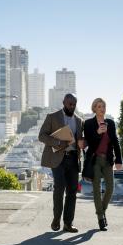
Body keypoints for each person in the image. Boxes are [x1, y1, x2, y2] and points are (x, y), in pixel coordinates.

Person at [39, 93, 83, 233]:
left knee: (72, 192)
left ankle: (68, 223)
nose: (72, 106)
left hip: (73, 158)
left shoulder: (79, 120)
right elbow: (42, 135)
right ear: (64, 102)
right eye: (70, 103)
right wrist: (57, 142)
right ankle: (56, 219)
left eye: (74, 104)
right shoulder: (52, 117)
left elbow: (80, 140)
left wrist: (83, 143)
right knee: (59, 188)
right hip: (58, 158)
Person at [83, 98, 122, 231]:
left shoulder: (110, 123)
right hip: (95, 160)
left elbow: (115, 142)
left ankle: (102, 211)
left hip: (108, 160)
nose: (102, 108)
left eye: (103, 106)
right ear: (94, 108)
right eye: (99, 106)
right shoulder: (88, 123)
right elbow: (89, 142)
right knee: (97, 190)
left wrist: (119, 160)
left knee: (110, 188)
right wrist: (97, 133)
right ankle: (101, 219)